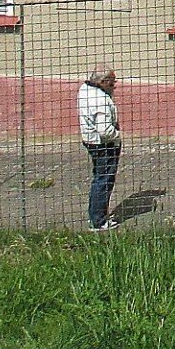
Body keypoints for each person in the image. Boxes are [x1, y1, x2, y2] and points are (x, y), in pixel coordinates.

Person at [78, 65, 122, 231]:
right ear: (103, 82)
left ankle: (97, 216)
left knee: (99, 177)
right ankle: (99, 221)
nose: (114, 86)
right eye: (112, 83)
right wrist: (117, 136)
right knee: (104, 180)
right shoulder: (101, 100)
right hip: (103, 144)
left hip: (89, 139)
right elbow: (104, 130)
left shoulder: (84, 89)